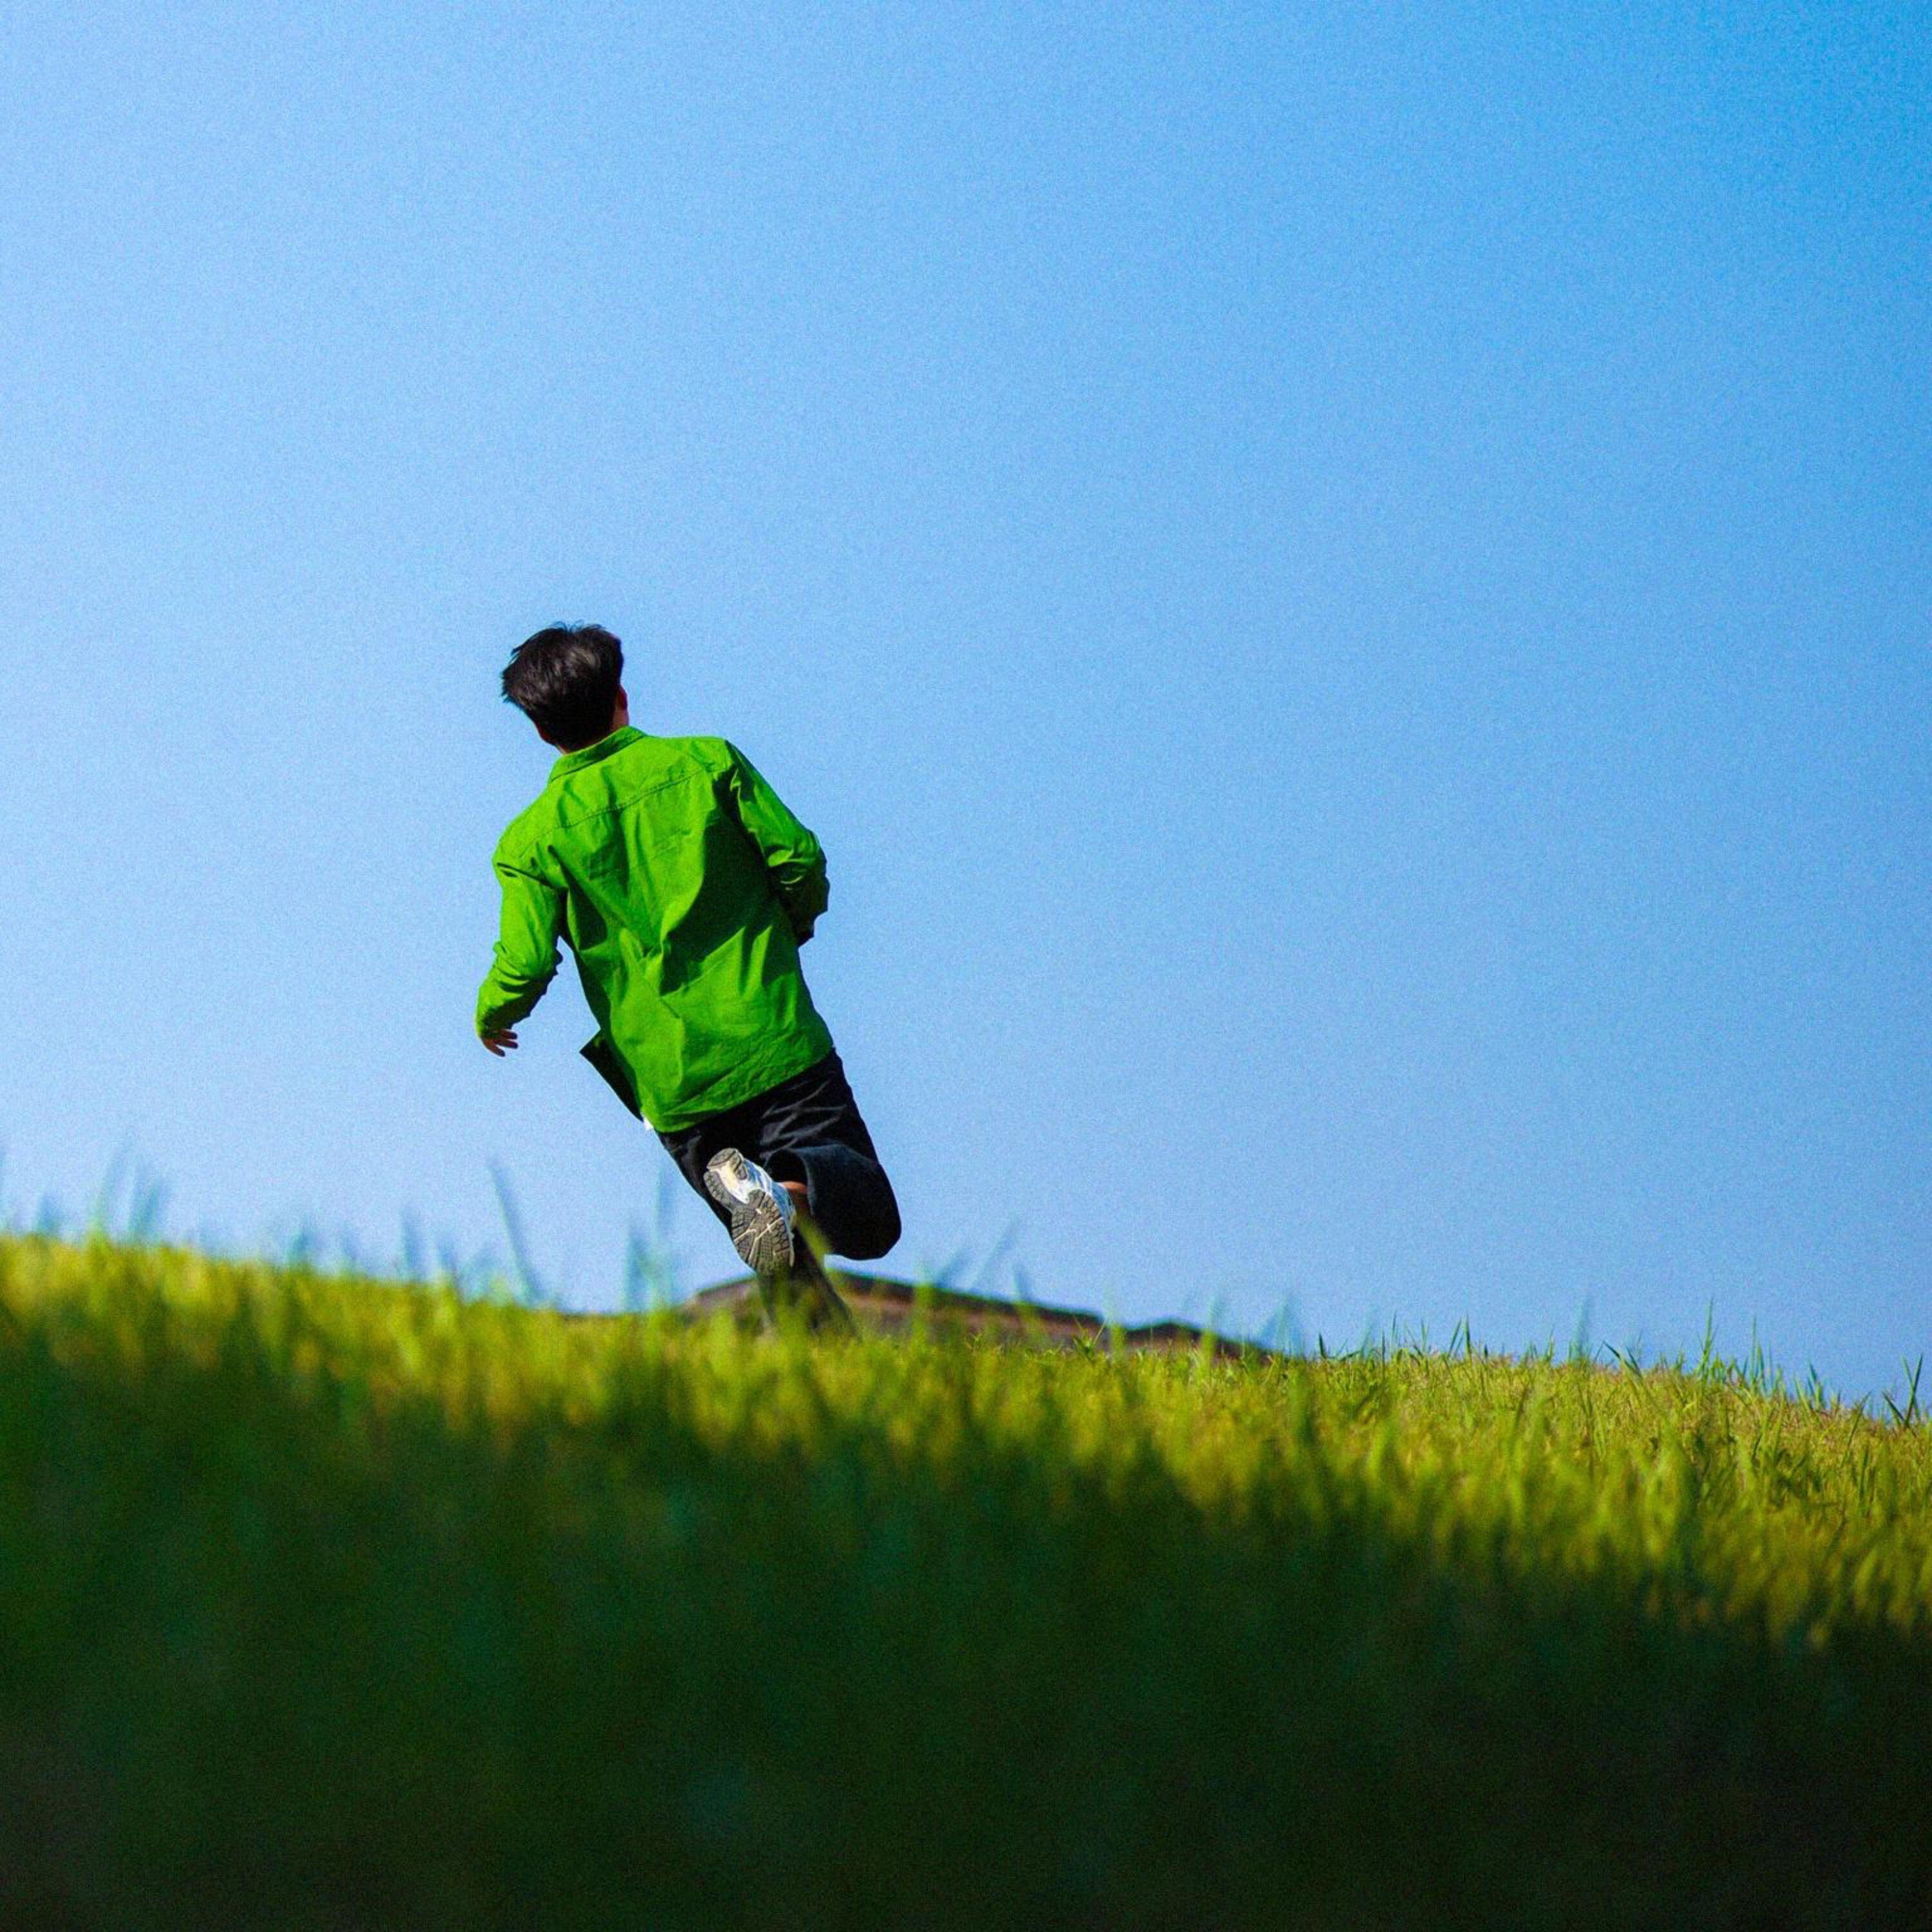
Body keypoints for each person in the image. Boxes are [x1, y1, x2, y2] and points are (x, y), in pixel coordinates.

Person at [474, 623, 900, 1325]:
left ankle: (820, 1375)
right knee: (867, 1218)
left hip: (674, 1087)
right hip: (773, 1038)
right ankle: (786, 1195)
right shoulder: (707, 763)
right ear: (622, 695)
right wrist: (790, 927)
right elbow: (799, 860)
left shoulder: (529, 841)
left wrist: (493, 1015)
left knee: (779, 1256)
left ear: (542, 732)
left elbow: (524, 963)